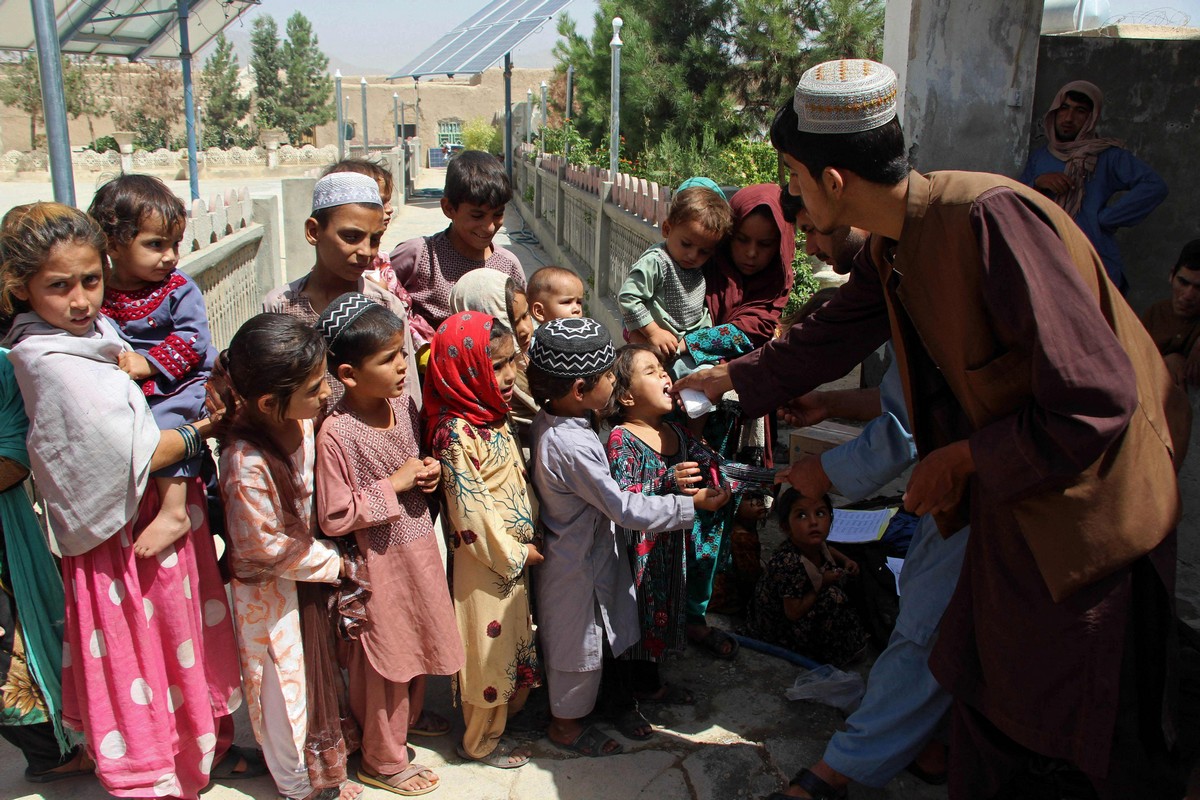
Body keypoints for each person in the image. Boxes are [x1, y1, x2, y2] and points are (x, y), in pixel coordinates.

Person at [676, 59, 1184, 799]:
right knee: (975, 689)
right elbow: (824, 339)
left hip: (1080, 521)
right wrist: (727, 380)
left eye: (794, 175)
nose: (792, 198)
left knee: (1064, 735)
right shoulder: (895, 247)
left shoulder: (986, 219)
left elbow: (1095, 397)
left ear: (836, 181)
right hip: (1007, 504)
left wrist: (967, 459)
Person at [1, 202, 243, 799]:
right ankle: (146, 773)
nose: (81, 299)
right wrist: (201, 434)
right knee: (138, 651)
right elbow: (125, 453)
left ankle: (190, 753)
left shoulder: (93, 335)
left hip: (149, 517)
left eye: (90, 281)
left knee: (170, 642)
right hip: (118, 534)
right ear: (20, 287)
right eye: (59, 286)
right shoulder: (50, 360)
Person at [776, 210, 966, 793]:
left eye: (813, 228)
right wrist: (831, 407)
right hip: (962, 488)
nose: (810, 247)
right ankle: (930, 744)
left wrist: (820, 472)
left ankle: (837, 772)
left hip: (978, 494)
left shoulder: (916, 284)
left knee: (923, 630)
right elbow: (900, 401)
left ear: (843, 197)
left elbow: (905, 429)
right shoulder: (906, 274)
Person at [526, 317, 731, 757]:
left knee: (606, 633)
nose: (611, 384)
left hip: (590, 553)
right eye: (606, 377)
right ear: (581, 389)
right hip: (575, 562)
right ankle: (565, 726)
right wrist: (690, 506)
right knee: (575, 646)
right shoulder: (575, 443)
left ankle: (609, 704)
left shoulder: (562, 421)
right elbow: (623, 506)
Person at [314, 295, 464, 795]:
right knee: (384, 659)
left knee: (419, 637)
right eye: (389, 359)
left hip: (418, 548)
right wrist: (394, 486)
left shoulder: (403, 405)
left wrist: (427, 474)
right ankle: (381, 758)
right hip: (376, 565)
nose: (403, 366)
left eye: (403, 353)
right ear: (349, 374)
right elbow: (334, 515)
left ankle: (408, 721)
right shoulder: (335, 433)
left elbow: (414, 462)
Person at [215, 314, 362, 800]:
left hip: (309, 581)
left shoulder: (298, 418)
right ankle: (299, 786)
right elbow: (266, 548)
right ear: (267, 402)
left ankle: (322, 768)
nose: (328, 394)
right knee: (283, 689)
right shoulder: (245, 461)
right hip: (272, 599)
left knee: (320, 678)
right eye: (316, 386)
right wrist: (336, 562)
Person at [423, 311, 542, 770]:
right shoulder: (455, 431)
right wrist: (516, 554)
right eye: (495, 366)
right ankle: (479, 741)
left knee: (511, 640)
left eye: (512, 361)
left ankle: (501, 725)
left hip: (512, 562)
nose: (509, 374)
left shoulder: (490, 414)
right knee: (486, 649)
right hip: (487, 563)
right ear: (465, 370)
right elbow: (470, 513)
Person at [89, 174, 216, 560]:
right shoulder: (98, 288)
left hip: (178, 384)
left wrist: (148, 363)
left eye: (174, 244)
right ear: (113, 243)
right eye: (155, 245)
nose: (170, 256)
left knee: (166, 425)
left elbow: (194, 339)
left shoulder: (178, 288)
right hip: (130, 387)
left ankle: (174, 510)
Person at [605, 344, 728, 714]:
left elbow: (709, 463)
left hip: (671, 550)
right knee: (639, 614)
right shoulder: (621, 438)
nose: (665, 375)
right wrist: (665, 481)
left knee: (666, 608)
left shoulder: (677, 431)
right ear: (626, 395)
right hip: (637, 555)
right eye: (651, 371)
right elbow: (621, 496)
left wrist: (721, 481)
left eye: (663, 369)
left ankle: (651, 678)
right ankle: (638, 687)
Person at [0, 344, 91, 784]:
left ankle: (52, 753)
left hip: (8, 542)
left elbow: (15, 456)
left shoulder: (5, 368)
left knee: (18, 652)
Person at [264, 173, 421, 412]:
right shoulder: (280, 306)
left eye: (375, 239)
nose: (366, 251)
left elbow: (407, 395)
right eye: (351, 237)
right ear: (313, 232)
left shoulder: (386, 306)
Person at [1019, 79, 1167, 293]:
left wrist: (1105, 219)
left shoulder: (1108, 156)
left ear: (1092, 117)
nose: (1069, 118)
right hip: (1046, 257)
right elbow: (1015, 198)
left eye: (1080, 111)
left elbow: (1154, 186)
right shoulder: (1040, 158)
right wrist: (1037, 183)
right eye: (1064, 108)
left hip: (1092, 257)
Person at [388, 150, 525, 340]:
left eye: (498, 214)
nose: (489, 227)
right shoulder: (419, 255)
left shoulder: (508, 265)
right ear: (448, 208)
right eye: (477, 216)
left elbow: (520, 322)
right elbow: (379, 295)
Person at [743, 489, 868, 667]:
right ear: (786, 527)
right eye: (801, 515)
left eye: (820, 513)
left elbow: (826, 548)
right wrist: (822, 583)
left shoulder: (812, 543)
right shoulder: (789, 563)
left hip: (800, 607)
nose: (813, 522)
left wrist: (845, 560)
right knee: (833, 598)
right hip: (777, 628)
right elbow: (793, 613)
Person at [618, 185, 733, 369]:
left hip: (688, 345)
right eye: (686, 244)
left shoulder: (702, 267)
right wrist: (653, 332)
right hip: (658, 345)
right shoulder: (656, 262)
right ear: (666, 228)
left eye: (704, 251)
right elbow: (628, 298)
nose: (693, 255)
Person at [447, 270, 537, 441]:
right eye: (511, 321)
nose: (526, 329)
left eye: (525, 316)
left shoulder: (528, 360)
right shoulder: (476, 388)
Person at [1141, 239, 1200, 389]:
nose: (1188, 295)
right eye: (1183, 282)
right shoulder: (1156, 314)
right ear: (1172, 275)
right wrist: (1166, 362)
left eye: (1199, 288)